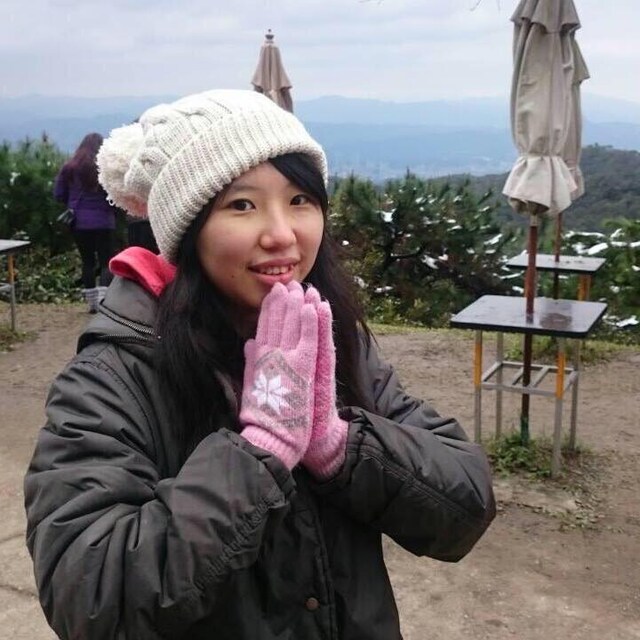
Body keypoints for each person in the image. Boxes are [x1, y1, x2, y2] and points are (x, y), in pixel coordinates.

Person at [24, 90, 496, 640]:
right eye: (242, 206)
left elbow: (466, 505)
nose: (282, 234)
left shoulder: (327, 342)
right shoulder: (113, 376)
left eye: (300, 199)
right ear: (188, 230)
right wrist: (260, 452)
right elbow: (90, 597)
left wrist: (339, 446)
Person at [53, 132, 117, 312]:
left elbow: (58, 194)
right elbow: (115, 193)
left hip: (79, 222)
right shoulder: (106, 168)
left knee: (87, 262)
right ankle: (104, 302)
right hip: (104, 221)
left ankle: (92, 304)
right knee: (106, 262)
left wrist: (72, 201)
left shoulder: (69, 168)